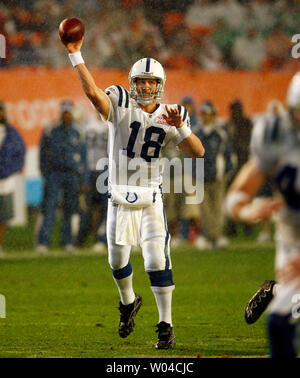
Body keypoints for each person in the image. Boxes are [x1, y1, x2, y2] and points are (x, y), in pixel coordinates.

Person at [60, 33, 205, 349]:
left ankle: (165, 325)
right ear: (132, 83)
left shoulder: (172, 114)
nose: (144, 87)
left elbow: (198, 152)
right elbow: (92, 93)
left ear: (160, 84)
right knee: (117, 261)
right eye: (139, 82)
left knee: (156, 260)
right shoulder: (120, 100)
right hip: (118, 196)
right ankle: (128, 302)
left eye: (150, 82)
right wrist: (76, 54)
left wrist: (181, 127)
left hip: (151, 197)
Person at [225, 72, 300, 358]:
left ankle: (276, 291)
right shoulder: (276, 135)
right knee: (280, 325)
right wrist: (246, 210)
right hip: (293, 235)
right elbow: (238, 193)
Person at [36, 100, 88, 254]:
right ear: (61, 113)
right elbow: (42, 153)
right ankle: (43, 243)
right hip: (54, 174)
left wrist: (83, 180)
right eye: (64, 111)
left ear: (72, 113)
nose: (66, 114)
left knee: (70, 209)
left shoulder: (78, 131)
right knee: (49, 208)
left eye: (69, 112)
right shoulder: (50, 130)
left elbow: (84, 158)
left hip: (72, 175)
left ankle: (67, 242)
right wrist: (46, 172)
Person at [186, 101, 235, 250]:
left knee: (217, 207)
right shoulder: (196, 131)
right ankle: (211, 237)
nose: (205, 117)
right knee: (205, 209)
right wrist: (192, 172)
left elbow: (229, 154)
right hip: (200, 176)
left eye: (208, 114)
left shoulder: (221, 133)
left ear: (213, 115)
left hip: (217, 176)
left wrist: (227, 172)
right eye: (203, 113)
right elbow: (189, 154)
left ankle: (216, 236)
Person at [76, 112, 108, 253]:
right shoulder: (86, 123)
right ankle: (80, 240)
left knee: (106, 208)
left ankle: (101, 239)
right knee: (86, 209)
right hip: (88, 170)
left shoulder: (111, 124)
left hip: (105, 169)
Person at [0, 101, 26, 257]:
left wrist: (11, 170)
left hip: (6, 181)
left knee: (4, 216)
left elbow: (20, 154)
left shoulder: (12, 133)